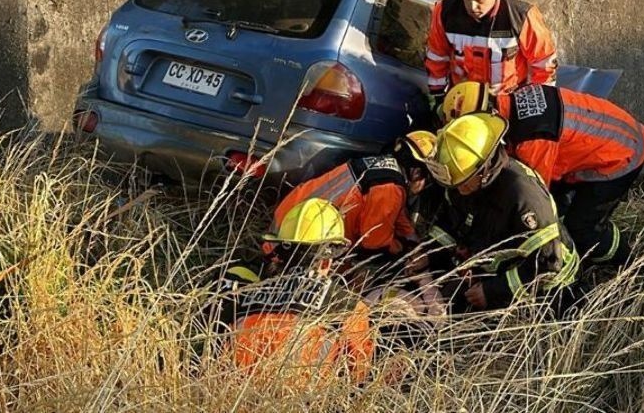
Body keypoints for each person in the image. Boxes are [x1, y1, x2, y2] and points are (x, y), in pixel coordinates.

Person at [440, 81, 644, 267]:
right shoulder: (517, 98)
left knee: (582, 230)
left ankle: (632, 262)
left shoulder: (530, 141)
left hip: (621, 156)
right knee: (566, 209)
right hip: (617, 135)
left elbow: (536, 197)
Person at [415, 113, 579, 312]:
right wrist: (429, 254)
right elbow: (451, 221)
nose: (458, 190)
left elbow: (548, 261)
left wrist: (493, 291)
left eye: (463, 183)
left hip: (548, 286)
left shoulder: (522, 196)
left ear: (483, 170)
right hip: (493, 271)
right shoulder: (464, 182)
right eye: (454, 184)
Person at [214, 198, 375, 381]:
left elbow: (214, 351)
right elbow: (358, 375)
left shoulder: (243, 295)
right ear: (327, 260)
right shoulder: (348, 307)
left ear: (279, 254)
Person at [271, 131, 437, 261]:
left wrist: (412, 238)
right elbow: (373, 242)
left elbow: (396, 212)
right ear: (416, 172)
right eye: (427, 179)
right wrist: (400, 248)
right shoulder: (390, 188)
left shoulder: (380, 167)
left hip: (285, 223)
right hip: (297, 245)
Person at [424, 0, 558, 118]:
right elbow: (437, 57)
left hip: (508, 105)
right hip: (462, 103)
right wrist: (438, 97)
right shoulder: (444, 12)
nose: (472, 7)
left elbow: (544, 63)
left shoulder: (521, 16)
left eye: (479, 0)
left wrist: (538, 108)